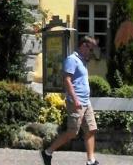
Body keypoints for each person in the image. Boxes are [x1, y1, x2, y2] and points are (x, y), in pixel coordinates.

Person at [41, 36, 100, 165]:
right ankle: (48, 152)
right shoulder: (72, 60)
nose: (92, 53)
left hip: (86, 101)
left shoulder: (83, 61)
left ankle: (91, 160)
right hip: (76, 102)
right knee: (72, 132)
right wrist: (75, 100)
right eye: (91, 49)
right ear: (83, 45)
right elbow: (67, 81)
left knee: (91, 129)